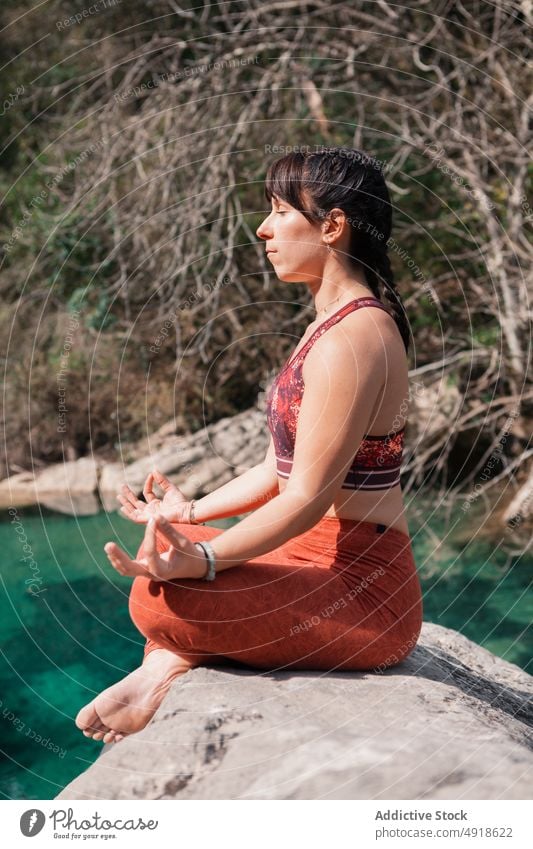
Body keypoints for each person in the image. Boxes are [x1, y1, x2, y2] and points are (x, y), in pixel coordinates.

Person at [75, 146, 423, 745]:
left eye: (280, 209)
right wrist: (187, 516)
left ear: (333, 226)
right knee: (161, 568)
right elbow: (276, 470)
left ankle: (166, 661)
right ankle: (172, 657)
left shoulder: (356, 337)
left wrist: (208, 561)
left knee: (162, 598)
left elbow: (308, 498)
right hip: (308, 561)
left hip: (365, 594)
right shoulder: (328, 323)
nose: (263, 228)